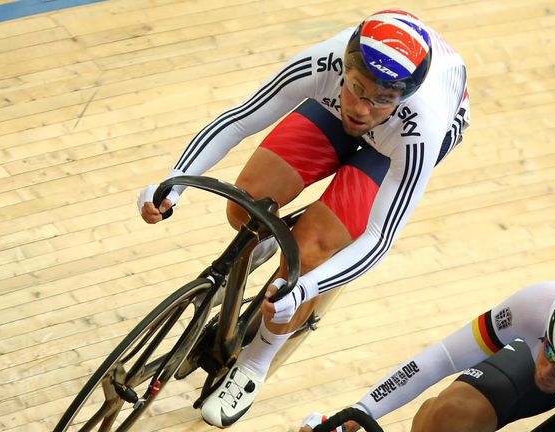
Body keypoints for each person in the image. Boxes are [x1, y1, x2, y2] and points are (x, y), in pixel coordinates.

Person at [137, 8, 470, 428]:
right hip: (339, 112)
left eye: (380, 99)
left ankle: (255, 364)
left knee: (310, 255)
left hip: (395, 144)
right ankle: (269, 243)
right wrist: (172, 184)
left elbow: (380, 238)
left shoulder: (423, 127)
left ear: (401, 97)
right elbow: (237, 120)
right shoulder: (324, 62)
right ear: (345, 68)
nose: (362, 109)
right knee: (245, 204)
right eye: (356, 88)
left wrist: (307, 286)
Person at [302, 281, 555, 432]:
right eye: (548, 351)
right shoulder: (538, 304)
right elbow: (442, 358)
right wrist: (359, 411)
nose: (547, 371)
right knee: (447, 418)